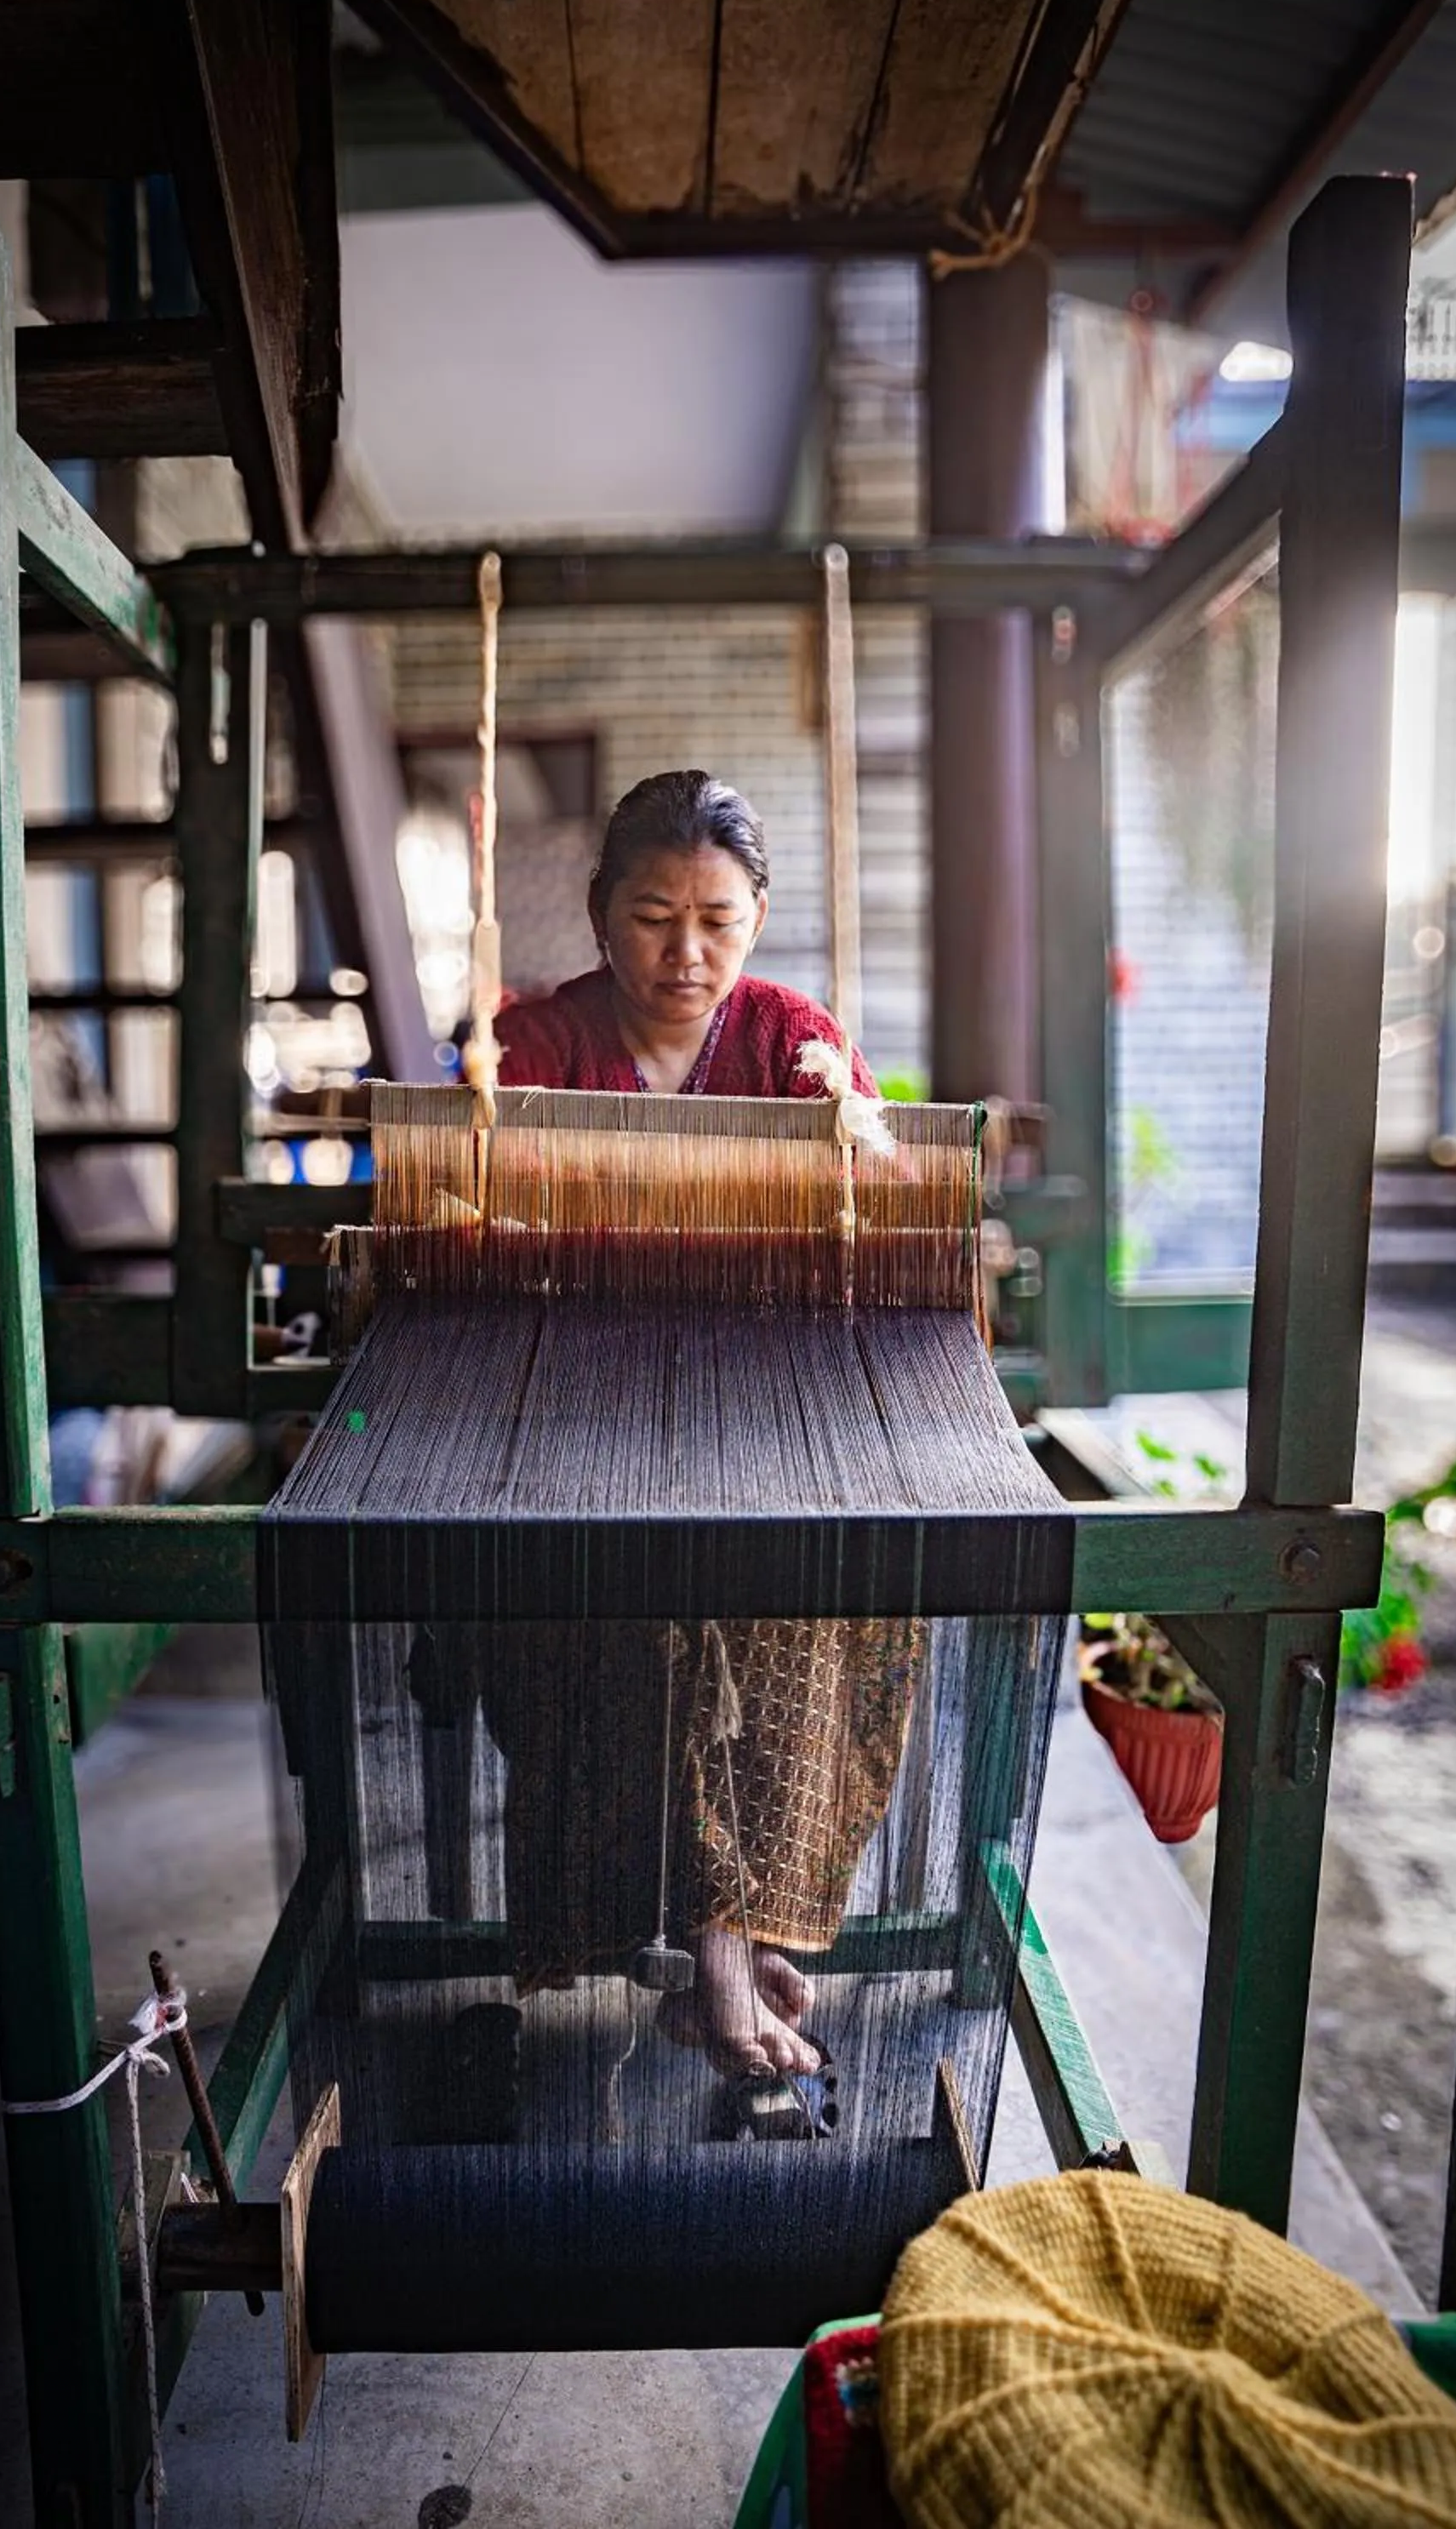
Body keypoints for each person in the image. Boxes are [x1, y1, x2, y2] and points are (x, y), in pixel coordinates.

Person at [421, 771, 924, 2081]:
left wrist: (857, 1148)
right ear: (600, 915)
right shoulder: (524, 1050)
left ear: (759, 915)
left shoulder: (795, 1045)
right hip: (565, 1406)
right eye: (653, 916)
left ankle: (745, 1919)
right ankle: (717, 1951)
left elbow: (890, 1217)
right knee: (631, 1599)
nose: (685, 952)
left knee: (823, 1598)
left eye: (718, 918)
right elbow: (445, 1207)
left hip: (760, 1404)